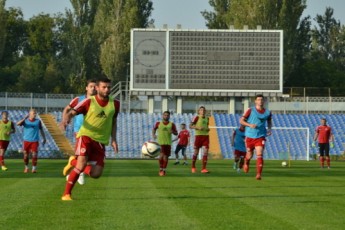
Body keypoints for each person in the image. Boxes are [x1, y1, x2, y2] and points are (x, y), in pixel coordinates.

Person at [60, 77, 120, 201]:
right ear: (97, 88)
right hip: (85, 136)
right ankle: (66, 194)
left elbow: (114, 122)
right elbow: (72, 111)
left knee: (96, 174)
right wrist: (66, 119)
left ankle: (72, 162)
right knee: (81, 163)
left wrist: (113, 139)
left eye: (108, 87)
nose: (107, 89)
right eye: (104, 87)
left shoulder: (115, 104)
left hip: (101, 141)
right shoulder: (89, 101)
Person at [60, 79, 96, 185]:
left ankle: (72, 164)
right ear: (86, 88)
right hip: (80, 131)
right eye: (91, 86)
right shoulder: (78, 99)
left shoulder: (98, 101)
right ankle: (80, 174)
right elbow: (66, 109)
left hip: (93, 132)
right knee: (84, 156)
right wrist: (64, 121)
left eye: (95, 86)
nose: (93, 88)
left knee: (88, 158)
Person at [240, 94, 272, 180]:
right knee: (249, 155)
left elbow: (269, 121)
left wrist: (269, 129)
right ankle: (246, 162)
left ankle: (258, 174)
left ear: (263, 101)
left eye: (261, 99)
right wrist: (249, 125)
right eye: (258, 99)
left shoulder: (268, 112)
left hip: (260, 136)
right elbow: (241, 120)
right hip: (249, 136)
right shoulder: (250, 110)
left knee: (259, 154)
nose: (260, 101)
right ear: (255, 101)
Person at [17, 109, 46, 173]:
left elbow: (41, 130)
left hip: (35, 141)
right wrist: (24, 118)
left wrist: (44, 138)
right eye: (33, 113)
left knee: (34, 154)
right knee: (26, 155)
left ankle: (34, 168)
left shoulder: (38, 121)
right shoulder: (25, 121)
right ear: (29, 114)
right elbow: (18, 124)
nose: (35, 114)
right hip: (26, 140)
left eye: (35, 113)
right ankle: (26, 168)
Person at [152, 111, 178, 176]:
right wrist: (153, 135)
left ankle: (164, 170)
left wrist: (173, 131)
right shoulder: (158, 123)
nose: (166, 116)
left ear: (169, 116)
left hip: (168, 143)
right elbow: (154, 129)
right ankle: (161, 169)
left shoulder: (172, 124)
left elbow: (176, 133)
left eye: (167, 115)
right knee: (161, 156)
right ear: (162, 116)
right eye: (165, 115)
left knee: (166, 157)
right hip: (160, 143)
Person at [190, 106, 210, 174]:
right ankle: (193, 167)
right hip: (198, 136)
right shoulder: (197, 117)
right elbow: (190, 126)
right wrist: (198, 128)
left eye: (204, 110)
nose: (203, 111)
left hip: (206, 137)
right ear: (199, 111)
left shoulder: (207, 118)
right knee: (196, 152)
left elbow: (207, 126)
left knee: (205, 152)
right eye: (201, 110)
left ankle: (203, 168)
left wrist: (208, 129)